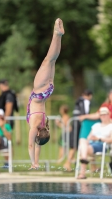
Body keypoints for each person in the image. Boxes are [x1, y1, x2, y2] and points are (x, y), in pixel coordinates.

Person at [26, 18, 64, 170]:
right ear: (37, 135)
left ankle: (59, 35)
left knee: (53, 60)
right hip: (39, 91)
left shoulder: (43, 125)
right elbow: (31, 145)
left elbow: (38, 144)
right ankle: (56, 34)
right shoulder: (35, 127)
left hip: (47, 91)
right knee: (48, 60)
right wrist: (32, 162)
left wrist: (36, 163)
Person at [77, 107, 112, 179]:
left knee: (83, 148)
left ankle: (82, 172)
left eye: (105, 114)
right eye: (101, 115)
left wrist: (98, 138)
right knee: (83, 141)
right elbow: (88, 137)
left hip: (101, 144)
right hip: (91, 144)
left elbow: (111, 139)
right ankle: (84, 160)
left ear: (109, 114)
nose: (103, 116)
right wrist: (90, 139)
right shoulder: (96, 126)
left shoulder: (110, 126)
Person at [63, 89, 93, 171]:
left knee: (76, 145)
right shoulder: (86, 101)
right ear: (90, 95)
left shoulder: (78, 101)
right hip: (81, 125)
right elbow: (85, 113)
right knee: (80, 145)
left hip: (75, 124)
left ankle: (68, 163)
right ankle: (67, 164)